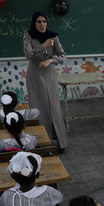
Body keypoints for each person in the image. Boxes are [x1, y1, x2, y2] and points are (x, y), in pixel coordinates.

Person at [24, 11, 67, 152]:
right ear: (34, 23)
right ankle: (43, 142)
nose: (42, 24)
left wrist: (50, 60)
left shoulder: (53, 36)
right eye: (39, 22)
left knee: (54, 107)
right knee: (39, 107)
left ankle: (60, 142)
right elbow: (28, 55)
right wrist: (43, 46)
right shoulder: (28, 35)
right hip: (35, 74)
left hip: (49, 74)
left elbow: (62, 56)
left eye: (44, 21)